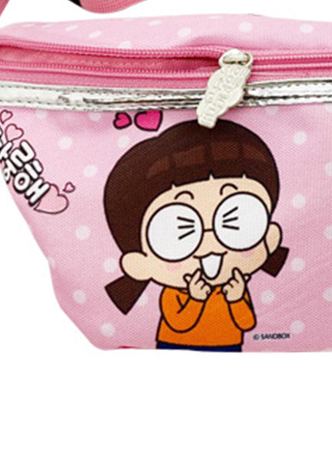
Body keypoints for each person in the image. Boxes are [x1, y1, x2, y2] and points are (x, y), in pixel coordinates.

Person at [104, 119, 287, 351]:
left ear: (269, 236)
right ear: (140, 263)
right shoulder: (174, 293)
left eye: (235, 219)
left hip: (231, 344)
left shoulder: (233, 286)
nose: (210, 243)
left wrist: (237, 298)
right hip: (172, 346)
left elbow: (247, 323)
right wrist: (195, 299)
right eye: (180, 229)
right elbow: (179, 324)